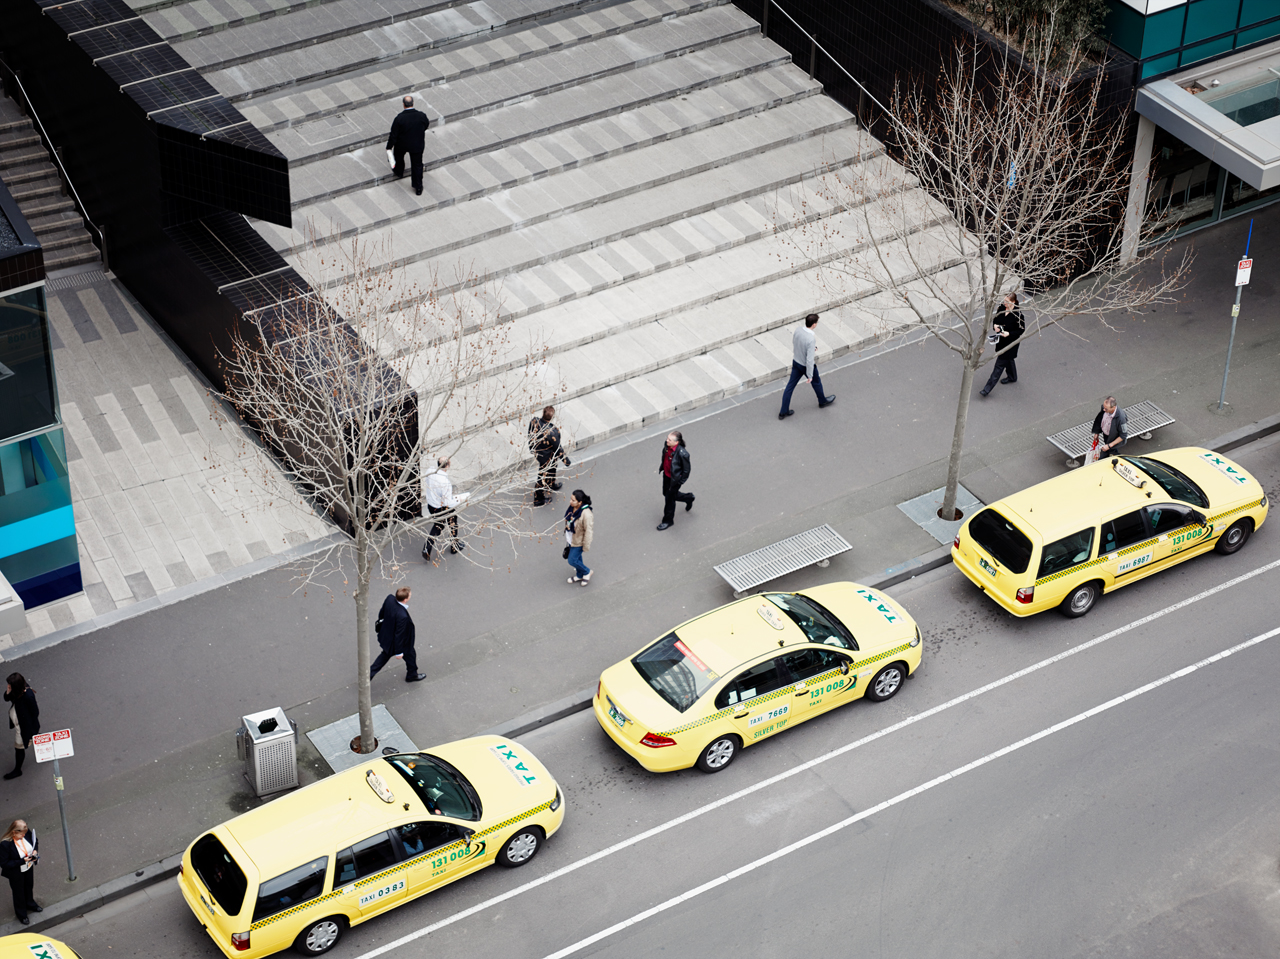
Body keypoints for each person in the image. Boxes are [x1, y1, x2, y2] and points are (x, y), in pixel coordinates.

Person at [779, 313, 835, 419]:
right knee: (816, 382)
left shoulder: (798, 330)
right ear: (814, 325)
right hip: (805, 365)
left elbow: (796, 343)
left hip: (796, 362)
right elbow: (809, 360)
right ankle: (822, 401)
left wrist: (811, 348)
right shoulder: (810, 339)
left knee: (790, 387)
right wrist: (809, 375)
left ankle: (783, 411)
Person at [370, 587, 425, 682]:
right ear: (405, 599)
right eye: (410, 595)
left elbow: (382, 613)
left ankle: (367, 676)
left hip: (387, 636)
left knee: (407, 655)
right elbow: (399, 635)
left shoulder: (390, 599)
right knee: (408, 654)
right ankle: (412, 675)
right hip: (398, 643)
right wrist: (399, 652)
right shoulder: (402, 616)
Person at [980, 292, 1025, 396]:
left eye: (1007, 302)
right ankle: (1012, 377)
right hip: (1001, 340)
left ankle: (987, 389)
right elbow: (996, 319)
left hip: (1010, 343)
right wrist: (995, 326)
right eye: (1004, 301)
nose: (1005, 303)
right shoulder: (1001, 308)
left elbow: (1021, 330)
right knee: (1009, 360)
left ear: (1013, 302)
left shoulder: (1018, 315)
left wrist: (1008, 333)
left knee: (999, 366)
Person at [386, 95, 430, 196]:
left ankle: (399, 171)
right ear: (413, 103)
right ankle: (418, 187)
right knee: (417, 165)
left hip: (402, 144)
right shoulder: (421, 116)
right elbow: (426, 125)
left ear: (403, 105)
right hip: (417, 144)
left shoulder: (399, 118)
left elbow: (393, 134)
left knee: (398, 155)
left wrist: (389, 146)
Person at [423, 457, 466, 561]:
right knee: (452, 522)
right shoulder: (445, 483)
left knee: (438, 525)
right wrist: (459, 499)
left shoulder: (430, 471)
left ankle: (427, 548)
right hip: (441, 507)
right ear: (448, 465)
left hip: (431, 505)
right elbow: (447, 502)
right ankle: (454, 546)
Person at [0, 820, 41, 924]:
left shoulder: (26, 832)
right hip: (16, 872)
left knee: (28, 886)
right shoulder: (5, 844)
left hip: (29, 867)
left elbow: (35, 840)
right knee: (18, 893)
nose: (24, 835)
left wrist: (35, 851)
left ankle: (30, 904)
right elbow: (4, 864)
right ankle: (21, 914)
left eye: (25, 833)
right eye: (21, 834)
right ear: (14, 832)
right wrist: (22, 861)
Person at [528, 406, 570, 507]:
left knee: (551, 469)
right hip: (548, 456)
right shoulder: (553, 431)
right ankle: (538, 500)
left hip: (539, 453)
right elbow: (557, 448)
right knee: (542, 476)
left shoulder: (534, 421)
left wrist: (532, 448)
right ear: (552, 417)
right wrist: (566, 461)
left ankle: (550, 484)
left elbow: (530, 435)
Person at [656, 431, 694, 531]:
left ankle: (668, 520)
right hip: (667, 475)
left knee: (669, 499)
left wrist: (680, 481)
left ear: (676, 442)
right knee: (666, 493)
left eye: (669, 440)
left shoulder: (683, 454)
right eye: (667, 438)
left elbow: (686, 470)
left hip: (674, 480)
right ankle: (688, 497)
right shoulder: (666, 446)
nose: (666, 440)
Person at [3, 674, 37, 781]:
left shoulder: (28, 695)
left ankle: (18, 770)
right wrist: (8, 691)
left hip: (23, 726)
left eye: (10, 684)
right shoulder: (16, 690)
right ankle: (34, 736)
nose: (8, 686)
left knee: (19, 747)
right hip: (20, 722)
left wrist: (29, 727)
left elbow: (35, 712)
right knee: (30, 738)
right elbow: (6, 698)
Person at [564, 490, 593, 586]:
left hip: (578, 541)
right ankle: (579, 575)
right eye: (570, 499)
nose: (570, 502)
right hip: (571, 538)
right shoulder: (573, 508)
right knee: (577, 558)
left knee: (572, 560)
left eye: (573, 500)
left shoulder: (586, 514)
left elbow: (588, 531)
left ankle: (587, 572)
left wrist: (586, 546)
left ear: (580, 502)